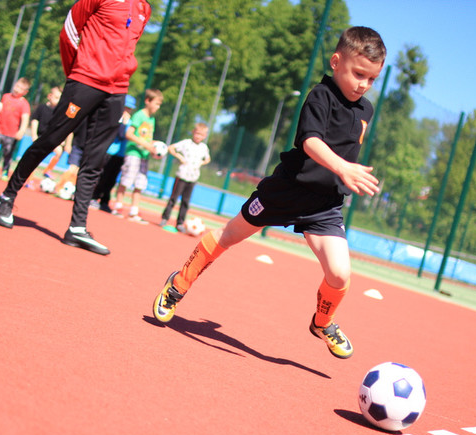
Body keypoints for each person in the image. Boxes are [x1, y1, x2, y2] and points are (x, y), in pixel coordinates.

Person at [153, 26, 385, 359]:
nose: (364, 84)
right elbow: (311, 141)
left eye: (372, 79)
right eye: (358, 74)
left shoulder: (366, 110)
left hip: (324, 205)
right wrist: (342, 167)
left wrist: (345, 174)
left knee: (340, 274)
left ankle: (322, 323)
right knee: (230, 236)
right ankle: (178, 284)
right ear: (336, 62)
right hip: (286, 191)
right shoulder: (320, 96)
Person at [0, 0, 152, 257]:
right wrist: (76, 73)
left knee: (96, 158)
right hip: (85, 79)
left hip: (117, 90)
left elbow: (125, 48)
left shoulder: (144, 8)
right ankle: (7, 197)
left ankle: (77, 227)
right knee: (51, 139)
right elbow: (69, 31)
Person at [111, 88, 163, 222]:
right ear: (148, 101)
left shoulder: (152, 119)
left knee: (140, 183)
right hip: (133, 154)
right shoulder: (139, 115)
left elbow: (147, 138)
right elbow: (129, 134)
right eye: (156, 104)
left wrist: (154, 147)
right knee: (126, 180)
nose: (158, 107)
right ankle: (118, 206)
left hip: (144, 156)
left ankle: (134, 211)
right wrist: (146, 145)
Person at [159, 122, 211, 232]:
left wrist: (201, 163)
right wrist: (180, 157)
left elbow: (207, 159)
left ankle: (180, 223)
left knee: (185, 201)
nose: (198, 136)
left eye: (201, 135)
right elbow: (171, 148)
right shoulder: (186, 143)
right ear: (193, 132)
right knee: (173, 198)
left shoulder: (204, 147)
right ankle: (165, 218)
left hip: (193, 178)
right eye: (197, 133)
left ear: (205, 136)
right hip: (182, 175)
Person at [91, 94, 137, 212]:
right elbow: (121, 135)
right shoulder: (116, 118)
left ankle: (105, 201)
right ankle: (94, 197)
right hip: (109, 152)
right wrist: (124, 123)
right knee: (103, 176)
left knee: (112, 180)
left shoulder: (130, 122)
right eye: (126, 107)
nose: (127, 110)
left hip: (120, 155)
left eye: (129, 108)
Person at [29, 86, 64, 180]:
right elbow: (35, 120)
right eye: (56, 98)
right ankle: (28, 179)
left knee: (59, 151)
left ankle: (48, 170)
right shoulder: (42, 107)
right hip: (40, 137)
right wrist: (34, 135)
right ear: (49, 96)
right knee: (34, 159)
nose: (58, 101)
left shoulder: (59, 112)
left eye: (60, 99)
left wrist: (60, 139)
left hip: (50, 138)